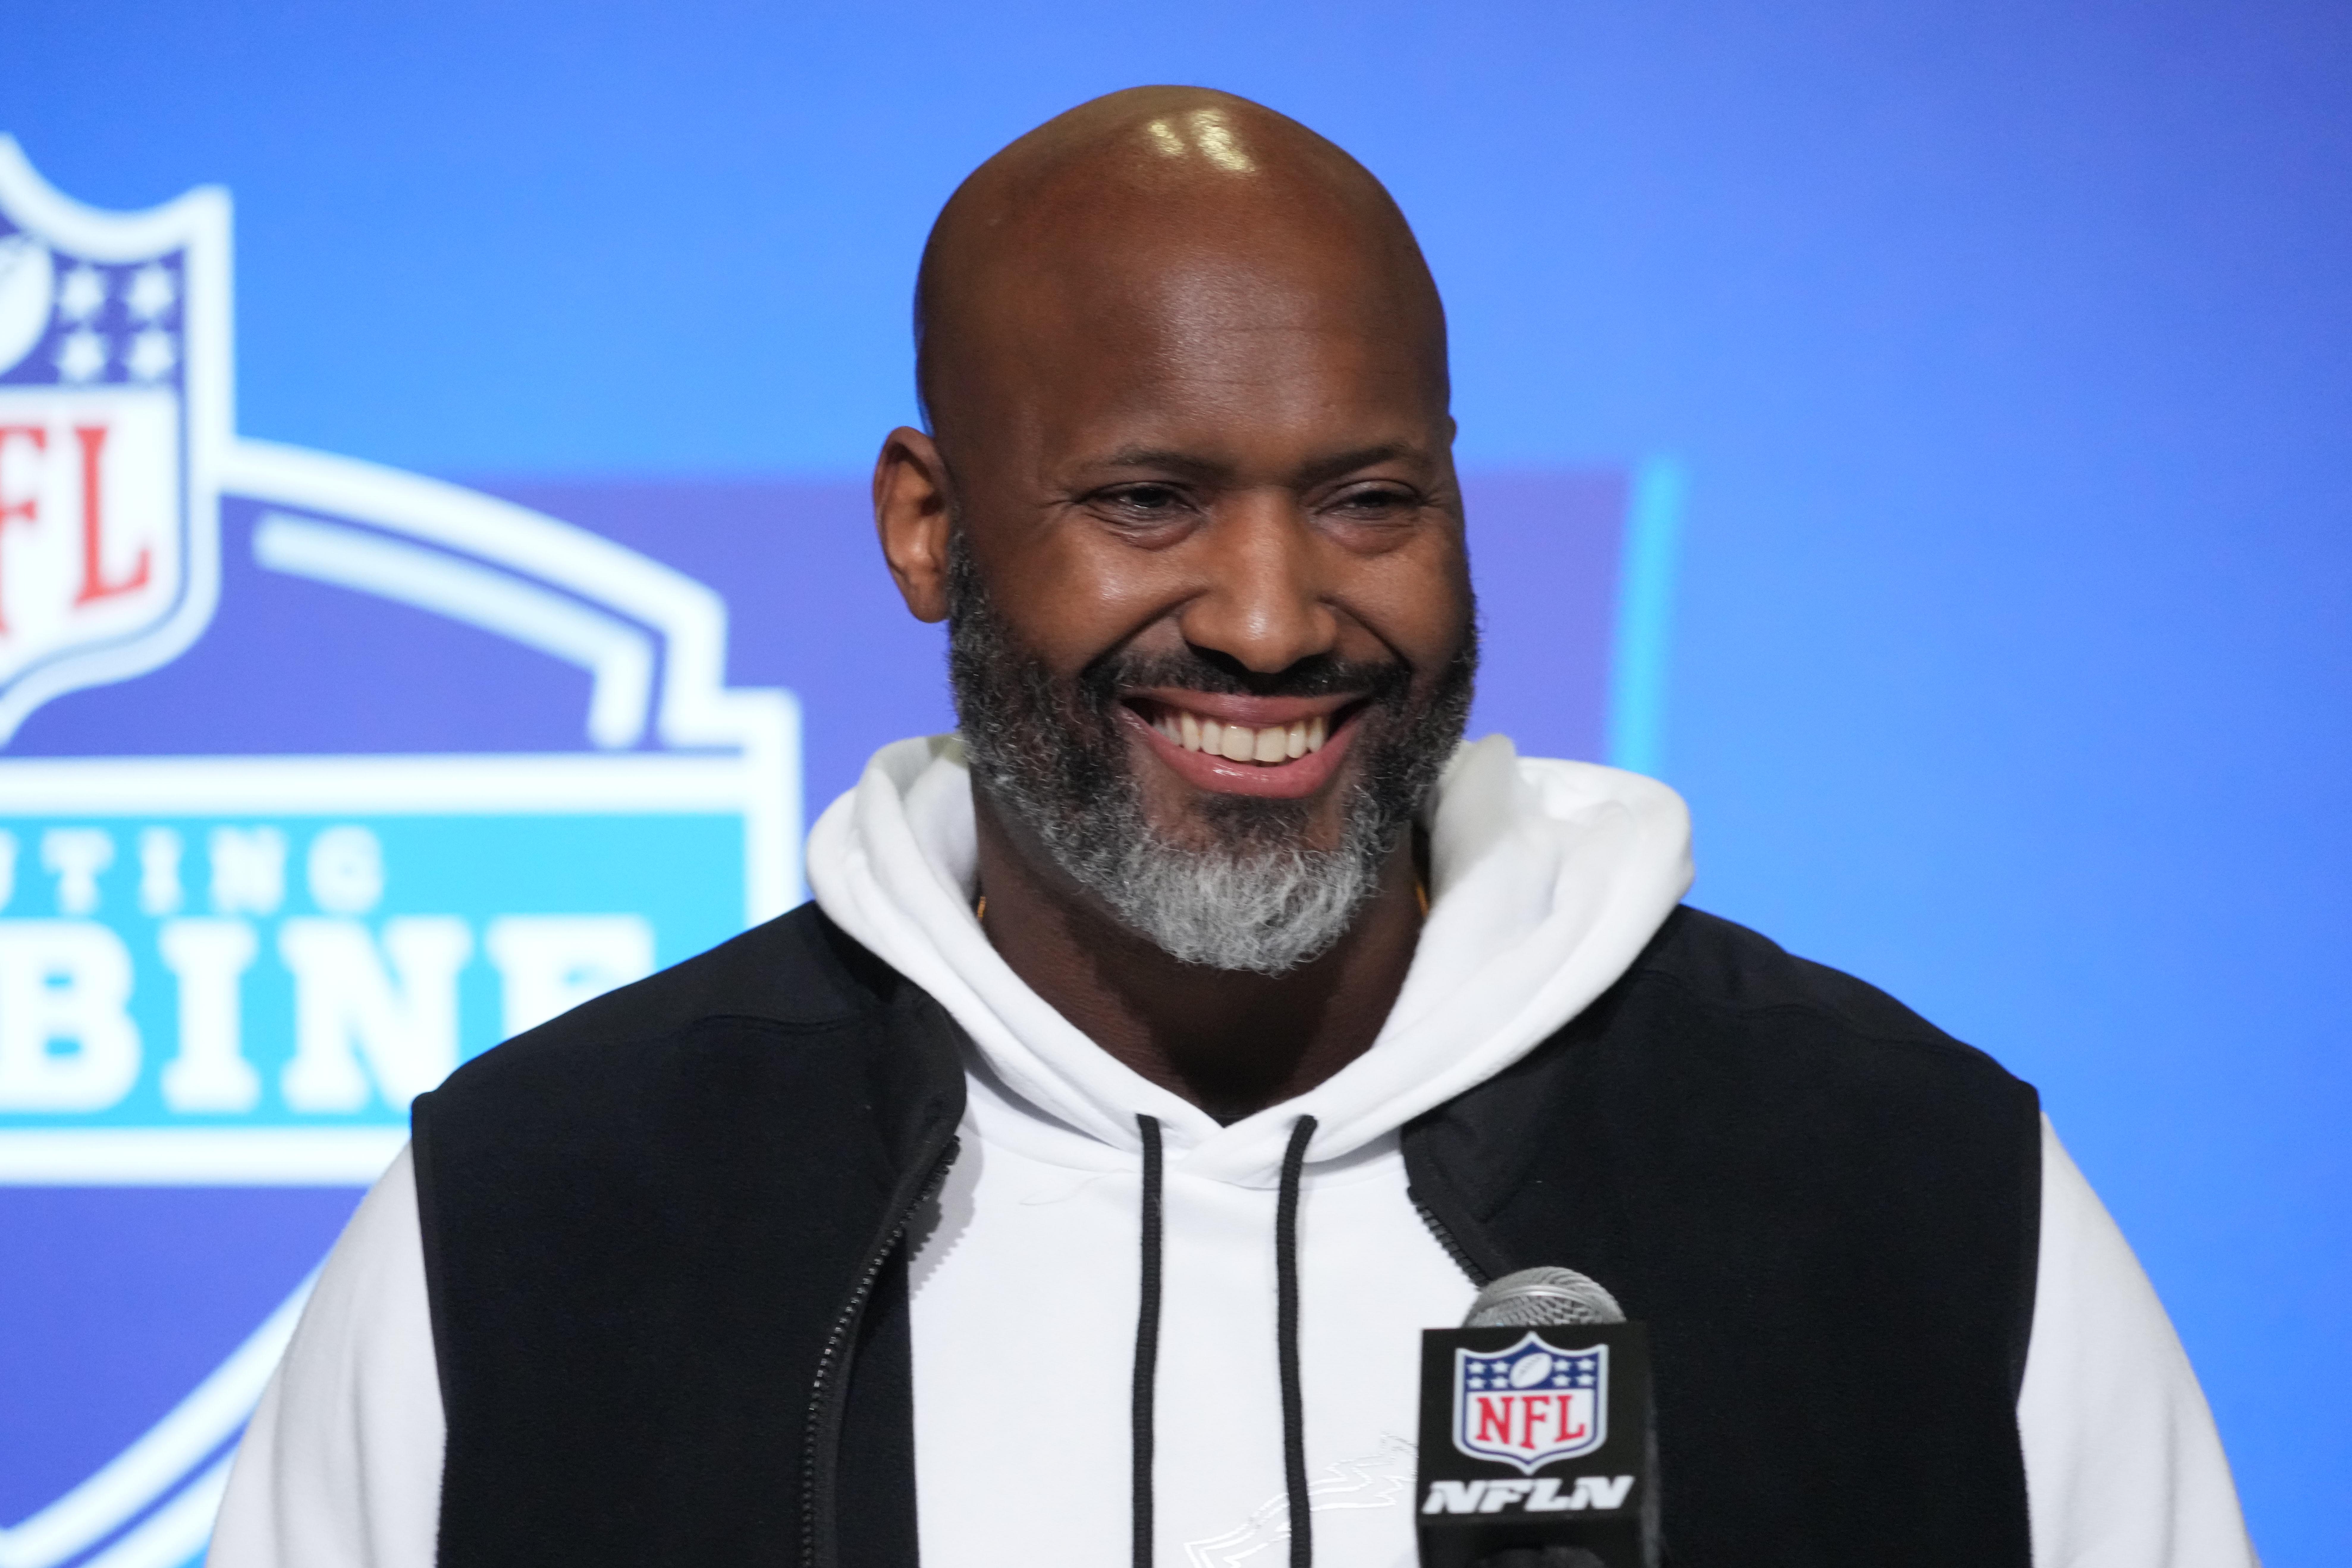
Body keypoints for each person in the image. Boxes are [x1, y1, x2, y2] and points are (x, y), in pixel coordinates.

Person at [209, 87, 2254, 1568]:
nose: (1275, 622)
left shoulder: (1907, 1184)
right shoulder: (542, 1216)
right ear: (928, 528)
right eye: (1147, 501)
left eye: (1369, 499)